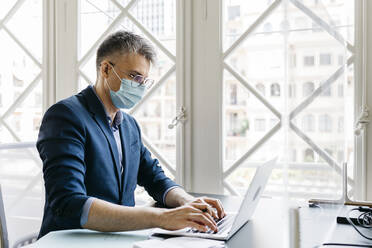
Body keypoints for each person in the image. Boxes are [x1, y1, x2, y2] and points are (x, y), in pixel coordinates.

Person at [36, 31, 225, 239]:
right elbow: (69, 203)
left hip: (118, 240)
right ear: (106, 69)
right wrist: (163, 217)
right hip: (72, 241)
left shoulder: (129, 126)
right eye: (134, 76)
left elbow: (155, 178)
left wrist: (186, 201)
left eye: (144, 80)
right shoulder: (65, 116)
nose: (140, 86)